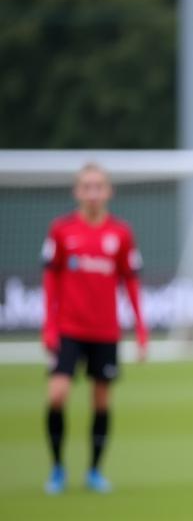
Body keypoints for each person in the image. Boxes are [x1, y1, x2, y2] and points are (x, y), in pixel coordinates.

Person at [41, 163, 148, 494]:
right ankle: (57, 467)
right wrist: (48, 326)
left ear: (108, 191)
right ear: (77, 191)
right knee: (57, 395)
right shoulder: (61, 231)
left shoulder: (121, 234)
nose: (93, 192)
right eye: (86, 186)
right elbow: (50, 279)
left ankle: (94, 471)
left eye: (98, 186)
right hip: (69, 329)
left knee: (101, 401)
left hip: (105, 331)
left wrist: (140, 329)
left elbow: (130, 282)